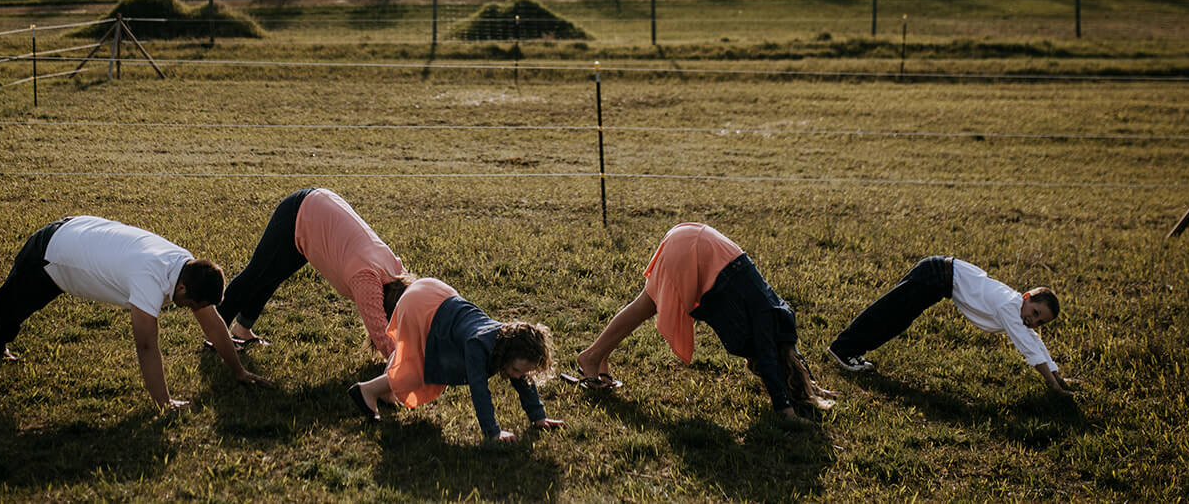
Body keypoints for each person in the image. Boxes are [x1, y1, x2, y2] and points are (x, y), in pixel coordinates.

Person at [0, 215, 267, 407]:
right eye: (192, 305)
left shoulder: (186, 267)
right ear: (182, 290)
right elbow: (146, 345)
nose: (192, 311)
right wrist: (163, 403)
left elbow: (213, 325)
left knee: (17, 307)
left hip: (72, 243)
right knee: (1, 307)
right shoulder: (151, 278)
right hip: (50, 253)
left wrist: (238, 370)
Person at [571, 222, 834, 421]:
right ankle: (593, 356)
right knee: (646, 305)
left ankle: (597, 356)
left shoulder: (781, 320)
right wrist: (784, 410)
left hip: (700, 242)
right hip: (696, 252)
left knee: (645, 305)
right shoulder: (769, 322)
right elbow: (768, 355)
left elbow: (790, 352)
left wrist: (811, 385)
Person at [348, 276, 564, 442]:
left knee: (417, 359)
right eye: (516, 370)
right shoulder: (478, 346)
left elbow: (523, 380)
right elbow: (479, 391)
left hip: (436, 294)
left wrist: (539, 417)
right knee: (419, 370)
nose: (516, 376)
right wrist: (493, 432)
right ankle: (366, 390)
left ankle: (386, 387)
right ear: (509, 355)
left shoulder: (508, 342)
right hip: (421, 305)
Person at [825, 256, 1073, 394]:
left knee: (896, 321)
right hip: (935, 274)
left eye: (1040, 322)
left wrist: (1057, 376)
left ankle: (850, 350)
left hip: (938, 280)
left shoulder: (1018, 309)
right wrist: (1051, 384)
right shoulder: (1010, 306)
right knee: (888, 314)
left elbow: (1034, 341)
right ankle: (843, 348)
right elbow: (1027, 347)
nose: (1033, 321)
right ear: (1028, 297)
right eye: (1035, 313)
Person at [217, 188, 409, 357]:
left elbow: (417, 296)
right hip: (299, 211)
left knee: (272, 276)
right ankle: (215, 333)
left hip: (318, 215)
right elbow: (380, 333)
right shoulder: (367, 279)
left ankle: (242, 329)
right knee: (256, 273)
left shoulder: (397, 271)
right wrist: (407, 364)